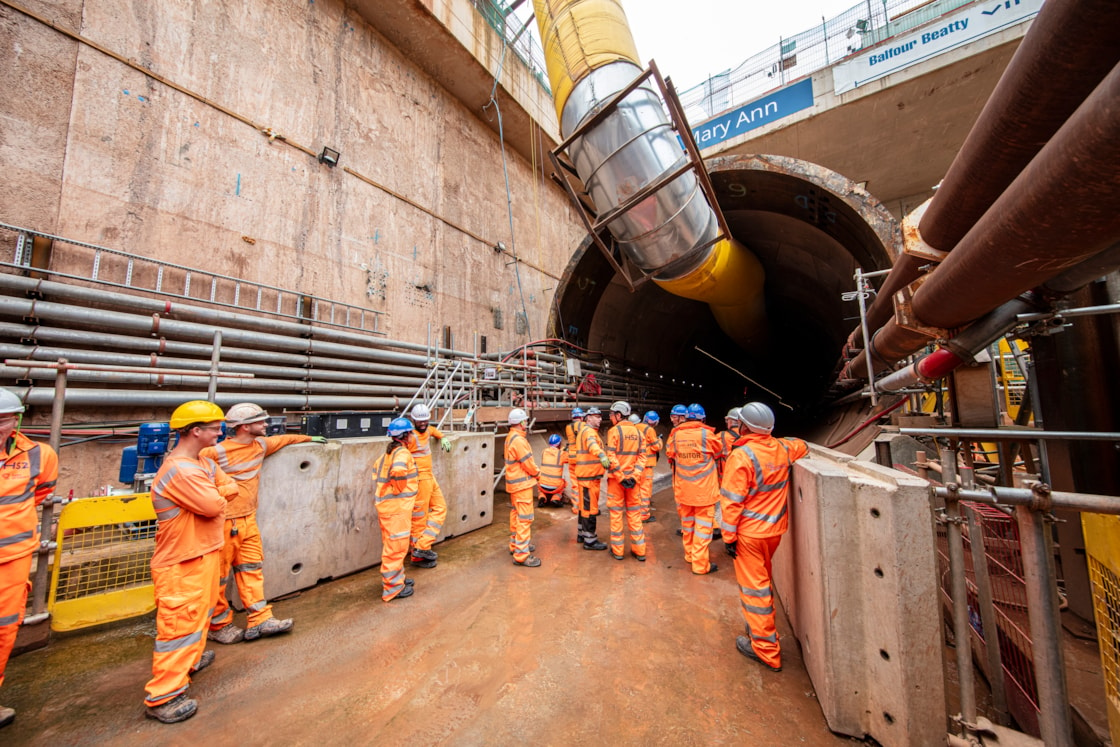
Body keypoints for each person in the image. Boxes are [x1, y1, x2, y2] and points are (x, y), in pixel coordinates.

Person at [144, 400, 239, 723]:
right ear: (195, 431)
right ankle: (164, 696)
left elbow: (230, 488)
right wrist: (216, 492)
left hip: (201, 553)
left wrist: (216, 490)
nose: (220, 433)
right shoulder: (181, 470)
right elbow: (214, 504)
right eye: (215, 429)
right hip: (182, 561)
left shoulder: (201, 464)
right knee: (179, 626)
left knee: (199, 615)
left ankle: (190, 662)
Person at [201, 403, 325, 645]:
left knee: (251, 569)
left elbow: (285, 439)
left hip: (248, 520)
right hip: (222, 523)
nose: (266, 425)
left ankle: (259, 619)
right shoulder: (216, 453)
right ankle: (218, 625)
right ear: (245, 427)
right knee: (218, 578)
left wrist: (310, 437)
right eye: (261, 422)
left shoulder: (259, 446)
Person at [720, 402, 809, 673]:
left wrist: (728, 537)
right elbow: (802, 445)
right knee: (761, 581)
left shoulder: (742, 456)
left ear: (744, 426)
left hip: (748, 534)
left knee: (754, 589)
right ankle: (758, 628)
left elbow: (731, 502)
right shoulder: (783, 448)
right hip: (774, 531)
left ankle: (765, 650)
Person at [0, 389, 58, 729]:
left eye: (4, 420)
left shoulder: (38, 454)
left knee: (5, 628)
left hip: (12, 557)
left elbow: (41, 491)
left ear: (16, 419)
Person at [664, 403, 721, 575]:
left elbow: (670, 455)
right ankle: (700, 565)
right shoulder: (708, 435)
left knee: (687, 526)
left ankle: (689, 555)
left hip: (683, 490)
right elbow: (718, 452)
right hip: (704, 492)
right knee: (703, 529)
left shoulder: (676, 435)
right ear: (703, 418)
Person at [371, 418, 421, 601]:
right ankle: (392, 588)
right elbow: (398, 472)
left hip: (388, 508)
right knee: (396, 549)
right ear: (406, 435)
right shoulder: (402, 454)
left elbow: (375, 473)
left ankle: (398, 579)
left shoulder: (387, 454)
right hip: (396, 509)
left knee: (394, 546)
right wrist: (399, 488)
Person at [406, 404, 451, 569]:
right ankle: (418, 553)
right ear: (413, 420)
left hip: (429, 476)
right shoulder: (409, 437)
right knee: (420, 517)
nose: (423, 424)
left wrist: (443, 437)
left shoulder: (428, 429)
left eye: (425, 420)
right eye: (420, 422)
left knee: (440, 508)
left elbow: (432, 430)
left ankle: (422, 546)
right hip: (419, 479)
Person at [604, 402, 648, 561]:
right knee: (635, 514)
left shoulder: (613, 432)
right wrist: (634, 477)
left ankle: (618, 551)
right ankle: (640, 551)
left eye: (611, 414)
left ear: (618, 415)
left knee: (616, 515)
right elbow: (643, 458)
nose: (610, 417)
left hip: (617, 482)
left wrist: (621, 477)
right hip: (634, 482)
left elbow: (611, 456)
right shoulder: (639, 433)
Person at [504, 409, 541, 567]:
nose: (526, 423)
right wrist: (538, 474)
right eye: (525, 420)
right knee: (525, 519)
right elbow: (528, 464)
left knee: (516, 516)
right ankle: (521, 554)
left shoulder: (511, 437)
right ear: (521, 423)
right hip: (522, 485)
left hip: (515, 485)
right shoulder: (519, 440)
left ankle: (516, 545)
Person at [572, 406, 610, 550]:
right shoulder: (588, 432)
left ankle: (582, 534)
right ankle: (590, 540)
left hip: (587, 476)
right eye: (596, 416)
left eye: (600, 416)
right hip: (589, 477)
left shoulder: (587, 431)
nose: (599, 419)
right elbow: (592, 445)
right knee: (590, 509)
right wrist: (601, 455)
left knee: (584, 507)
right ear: (588, 418)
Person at [636, 411, 662, 523]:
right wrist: (659, 440)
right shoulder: (649, 430)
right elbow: (656, 447)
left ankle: (635, 512)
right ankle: (644, 515)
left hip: (636, 464)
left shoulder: (635, 427)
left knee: (636, 490)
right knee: (645, 490)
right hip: (646, 465)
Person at [537, 434, 568, 508]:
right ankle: (555, 498)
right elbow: (569, 459)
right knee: (564, 483)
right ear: (559, 444)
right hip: (555, 487)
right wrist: (565, 450)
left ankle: (542, 498)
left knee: (540, 486)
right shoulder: (562, 454)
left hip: (542, 486)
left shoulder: (544, 452)